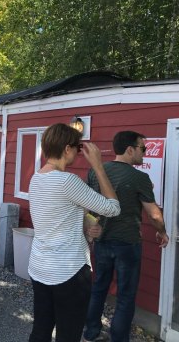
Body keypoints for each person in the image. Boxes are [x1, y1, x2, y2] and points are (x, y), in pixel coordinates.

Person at [28, 123, 121, 342]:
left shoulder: (36, 178)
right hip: (69, 272)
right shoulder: (67, 180)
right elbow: (113, 208)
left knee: (40, 329)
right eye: (78, 149)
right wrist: (98, 166)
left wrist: (87, 222)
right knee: (68, 334)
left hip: (40, 268)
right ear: (67, 149)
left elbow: (58, 214)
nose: (78, 155)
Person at [82, 131, 169, 342]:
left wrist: (90, 230)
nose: (145, 153)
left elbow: (86, 206)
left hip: (102, 242)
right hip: (127, 245)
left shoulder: (95, 172)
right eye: (142, 148)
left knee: (99, 288)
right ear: (130, 149)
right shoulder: (139, 177)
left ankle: (90, 332)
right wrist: (162, 231)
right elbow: (154, 214)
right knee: (126, 296)